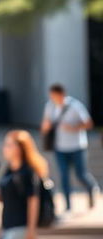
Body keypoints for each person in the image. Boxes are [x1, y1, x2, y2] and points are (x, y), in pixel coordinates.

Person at [40, 83, 100, 213]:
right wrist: (46, 127)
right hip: (59, 147)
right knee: (64, 176)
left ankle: (91, 188)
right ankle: (68, 206)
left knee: (81, 174)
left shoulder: (75, 106)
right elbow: (44, 126)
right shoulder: (50, 107)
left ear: (61, 94)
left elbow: (89, 124)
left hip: (77, 146)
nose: (53, 98)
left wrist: (72, 128)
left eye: (55, 96)